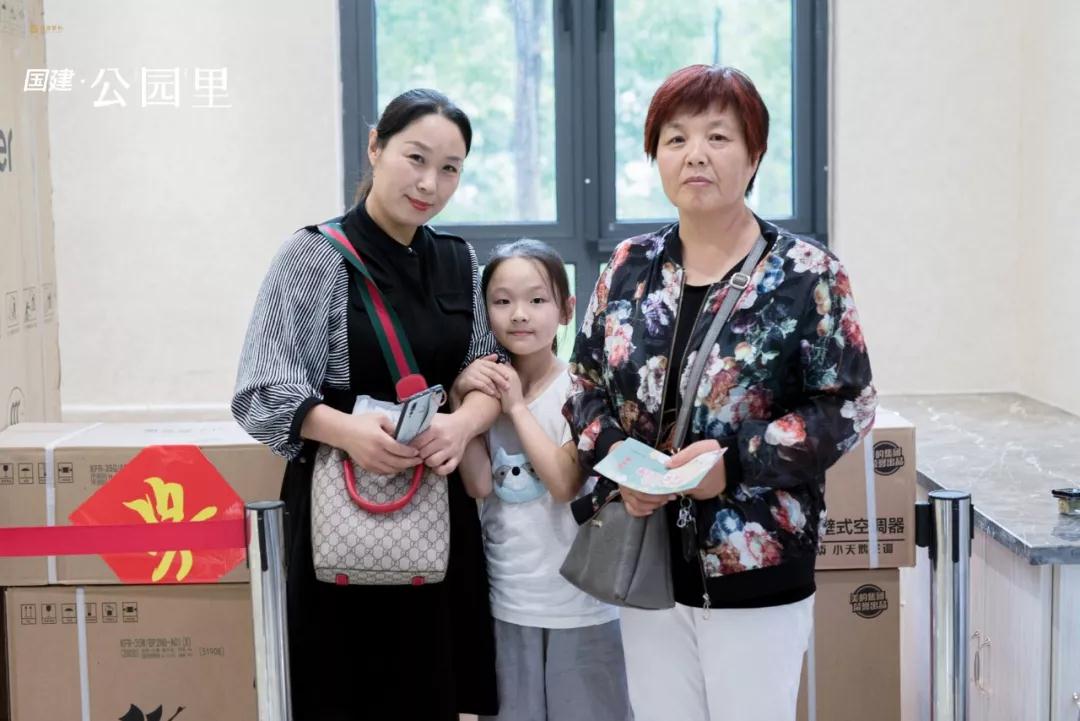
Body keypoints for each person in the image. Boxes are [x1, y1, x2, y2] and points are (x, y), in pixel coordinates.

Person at [562, 65, 878, 721]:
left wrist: (731, 465)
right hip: (646, 560)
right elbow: (584, 385)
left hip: (757, 562)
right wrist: (622, 464)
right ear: (656, 156)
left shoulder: (806, 273)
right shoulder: (628, 268)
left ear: (754, 155)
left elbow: (846, 405)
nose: (695, 154)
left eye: (717, 136)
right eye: (675, 139)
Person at [232, 88, 502, 720]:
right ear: (375, 146)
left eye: (450, 168)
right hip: (340, 519)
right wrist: (349, 433)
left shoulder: (458, 260)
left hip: (436, 516)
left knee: (432, 691)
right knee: (341, 690)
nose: (430, 183)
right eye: (416, 158)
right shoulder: (314, 255)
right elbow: (259, 391)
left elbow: (489, 369)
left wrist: (462, 425)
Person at [454, 239, 632, 721]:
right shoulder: (485, 395)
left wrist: (515, 407)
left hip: (581, 605)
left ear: (567, 310)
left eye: (536, 300)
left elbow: (563, 483)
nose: (519, 315)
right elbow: (479, 485)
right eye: (502, 301)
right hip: (507, 600)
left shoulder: (580, 390)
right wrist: (460, 400)